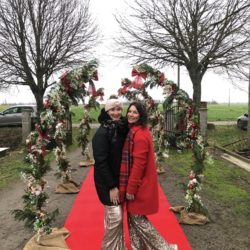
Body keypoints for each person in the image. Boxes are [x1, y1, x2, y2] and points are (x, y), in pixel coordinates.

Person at [119, 101, 178, 250]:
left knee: (138, 219)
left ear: (141, 115)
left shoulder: (138, 136)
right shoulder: (139, 130)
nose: (131, 115)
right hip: (141, 183)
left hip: (140, 185)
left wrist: (131, 189)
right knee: (133, 218)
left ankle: (165, 248)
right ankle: (138, 246)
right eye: (130, 111)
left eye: (135, 112)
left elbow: (138, 165)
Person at [92, 98, 128, 250]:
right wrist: (112, 186)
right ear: (106, 112)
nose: (116, 113)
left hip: (119, 179)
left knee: (116, 218)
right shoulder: (102, 132)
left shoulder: (121, 127)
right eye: (112, 110)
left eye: (118, 109)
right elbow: (101, 162)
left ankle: (118, 247)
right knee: (115, 217)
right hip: (107, 182)